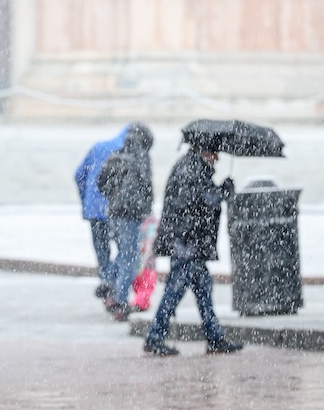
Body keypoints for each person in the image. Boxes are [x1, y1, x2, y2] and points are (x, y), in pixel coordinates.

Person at [142, 144, 244, 357]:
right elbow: (197, 203)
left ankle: (214, 337)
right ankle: (155, 336)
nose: (217, 158)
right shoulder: (190, 168)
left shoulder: (192, 167)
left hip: (188, 242)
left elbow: (198, 199)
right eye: (215, 152)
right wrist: (222, 192)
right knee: (175, 290)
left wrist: (219, 191)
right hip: (186, 244)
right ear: (204, 150)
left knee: (203, 289)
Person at [96, 123, 155, 321]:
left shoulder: (117, 155)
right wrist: (145, 209)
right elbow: (147, 188)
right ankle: (119, 301)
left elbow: (101, 182)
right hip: (132, 215)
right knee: (130, 258)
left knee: (123, 254)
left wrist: (114, 197)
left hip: (114, 213)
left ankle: (109, 284)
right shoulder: (141, 159)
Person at [74, 125, 131, 298]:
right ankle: (112, 283)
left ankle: (106, 281)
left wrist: (86, 199)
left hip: (94, 209)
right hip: (116, 209)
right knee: (126, 250)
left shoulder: (98, 147)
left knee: (102, 251)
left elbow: (78, 174)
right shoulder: (127, 151)